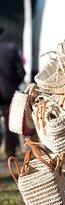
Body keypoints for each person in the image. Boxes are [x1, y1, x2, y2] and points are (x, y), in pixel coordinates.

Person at [0, 27, 25, 158]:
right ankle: (10, 152)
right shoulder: (10, 49)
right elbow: (21, 71)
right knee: (11, 122)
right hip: (8, 91)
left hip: (4, 90)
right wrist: (14, 83)